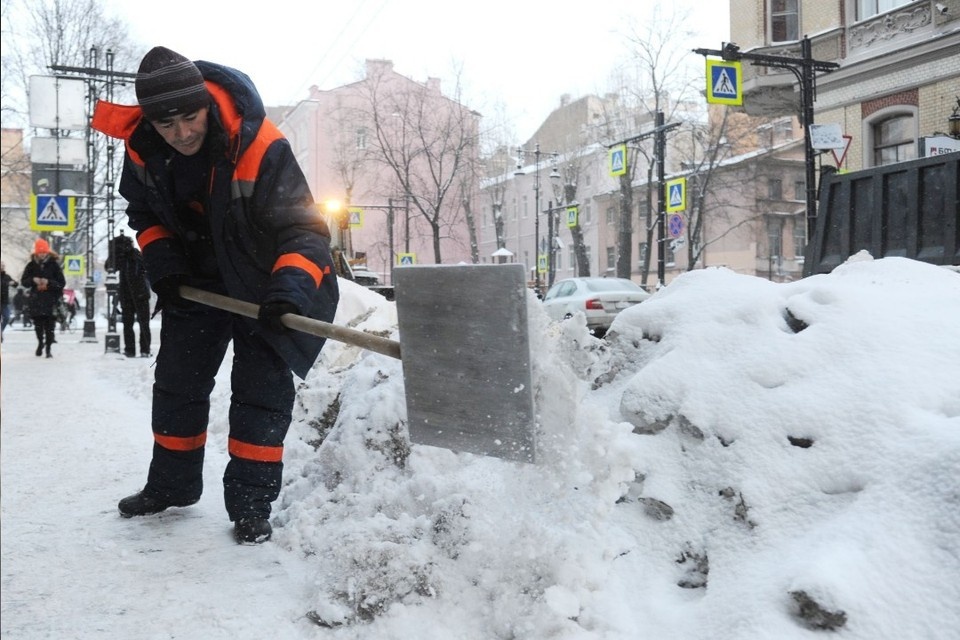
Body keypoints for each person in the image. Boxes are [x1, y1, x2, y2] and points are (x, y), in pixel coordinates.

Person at [91, 46, 339, 544]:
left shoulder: (260, 145)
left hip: (265, 284)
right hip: (198, 285)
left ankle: (250, 507)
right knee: (177, 384)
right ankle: (172, 486)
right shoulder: (141, 150)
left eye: (190, 117)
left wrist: (287, 294)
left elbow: (306, 231)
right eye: (166, 124)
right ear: (150, 122)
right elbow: (145, 215)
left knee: (260, 394)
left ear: (205, 104)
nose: (182, 133)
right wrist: (165, 266)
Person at [20, 238, 65, 358]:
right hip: (36, 300)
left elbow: (61, 283)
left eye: (44, 252)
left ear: (48, 252)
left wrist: (48, 282)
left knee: (50, 327)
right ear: (36, 252)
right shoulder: (31, 265)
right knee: (38, 326)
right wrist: (33, 280)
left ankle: (48, 349)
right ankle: (40, 343)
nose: (42, 254)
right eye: (40, 252)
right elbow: (24, 281)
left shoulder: (54, 265)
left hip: (51, 301)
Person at [113, 234, 153, 357]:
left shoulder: (137, 255)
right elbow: (109, 267)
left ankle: (145, 350)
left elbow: (145, 269)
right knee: (128, 325)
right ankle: (130, 350)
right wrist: (115, 252)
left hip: (141, 295)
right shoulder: (120, 258)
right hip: (127, 296)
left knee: (143, 324)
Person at [1, 261, 18, 341]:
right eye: (1, 265)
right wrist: (6, 283)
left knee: (7, 317)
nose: (2, 267)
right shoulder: (5, 279)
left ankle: (0, 331)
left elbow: (16, 284)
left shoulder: (6, 276)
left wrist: (14, 283)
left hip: (4, 302)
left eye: (3, 266)